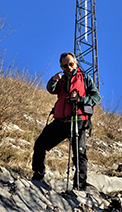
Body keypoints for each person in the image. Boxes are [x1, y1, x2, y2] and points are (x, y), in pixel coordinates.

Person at [31, 52, 101, 190]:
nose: (68, 67)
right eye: (65, 65)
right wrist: (53, 80)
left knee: (79, 153)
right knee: (40, 144)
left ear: (75, 63)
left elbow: (96, 97)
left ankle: (79, 187)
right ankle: (37, 177)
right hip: (60, 121)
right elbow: (51, 89)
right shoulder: (61, 79)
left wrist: (81, 99)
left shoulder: (85, 78)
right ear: (61, 66)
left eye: (71, 64)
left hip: (78, 119)